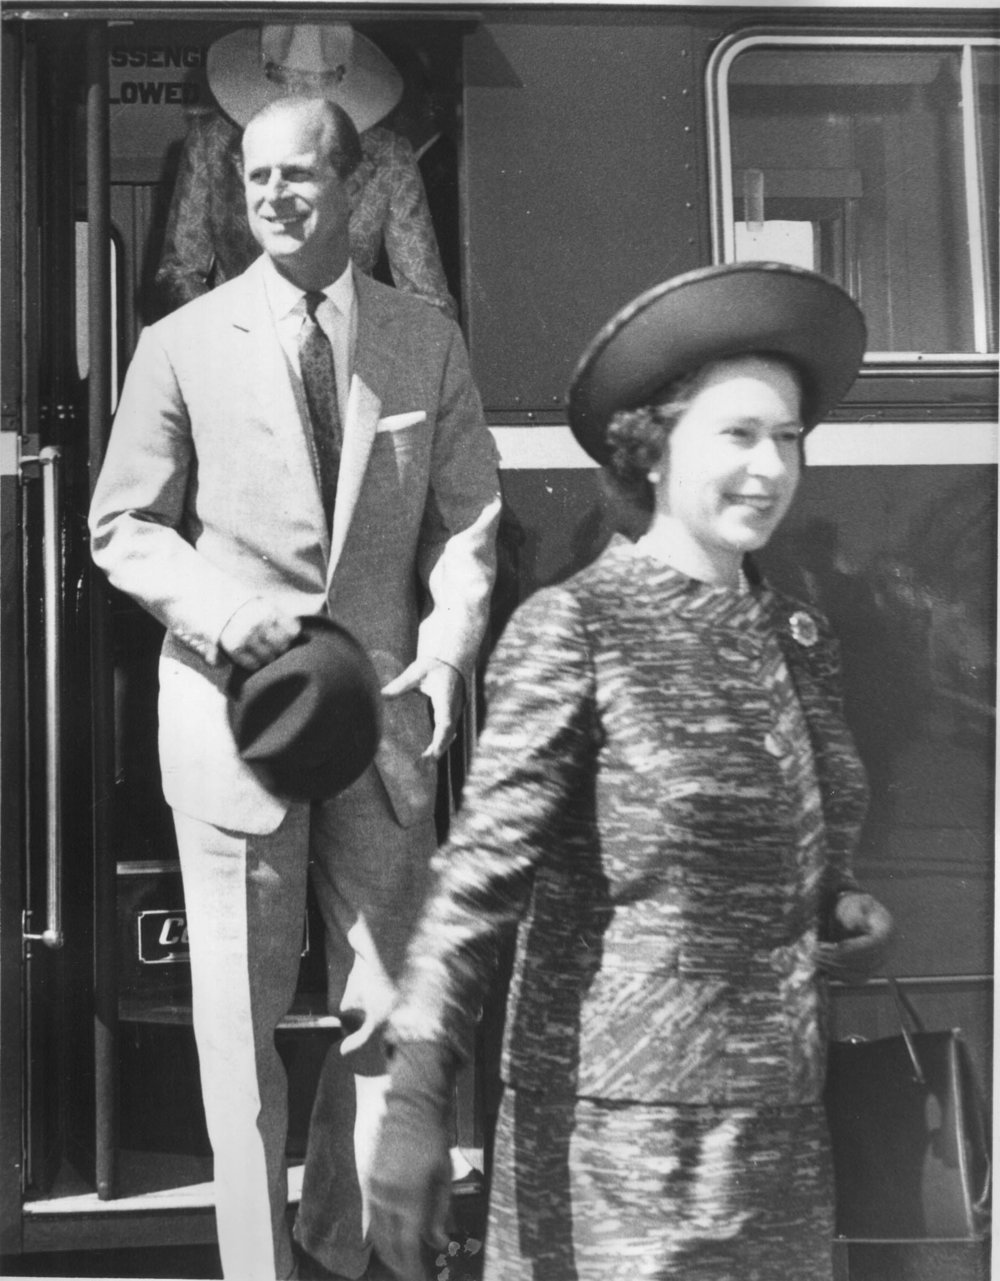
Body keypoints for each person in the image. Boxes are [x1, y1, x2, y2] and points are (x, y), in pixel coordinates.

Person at [368, 261, 894, 1281]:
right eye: (737, 435)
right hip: (618, 1149)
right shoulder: (578, 627)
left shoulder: (795, 636)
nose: (770, 468)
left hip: (779, 1135)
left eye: (788, 438)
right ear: (652, 449)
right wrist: (416, 1094)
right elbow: (474, 886)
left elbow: (794, 846)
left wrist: (841, 903)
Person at [89, 95, 500, 1281]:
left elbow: (469, 520)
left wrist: (449, 643)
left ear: (354, 188)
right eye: (256, 176)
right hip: (238, 722)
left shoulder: (424, 338)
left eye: (298, 175)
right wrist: (227, 614)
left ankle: (347, 1247)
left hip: (380, 722)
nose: (271, 195)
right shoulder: (180, 342)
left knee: (391, 1011)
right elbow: (123, 525)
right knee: (239, 1041)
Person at [155, 22, 457, 319]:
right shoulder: (213, 142)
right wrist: (227, 332)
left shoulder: (387, 155)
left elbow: (428, 298)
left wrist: (381, 344)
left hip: (353, 339)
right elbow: (179, 271)